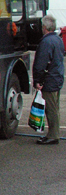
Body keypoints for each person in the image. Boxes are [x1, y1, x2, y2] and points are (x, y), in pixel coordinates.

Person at [32, 14, 65, 145]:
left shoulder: (46, 42)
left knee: (50, 109)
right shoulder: (58, 40)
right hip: (57, 77)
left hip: (49, 79)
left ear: (44, 27)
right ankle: (54, 133)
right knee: (54, 108)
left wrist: (37, 80)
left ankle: (53, 135)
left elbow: (41, 63)